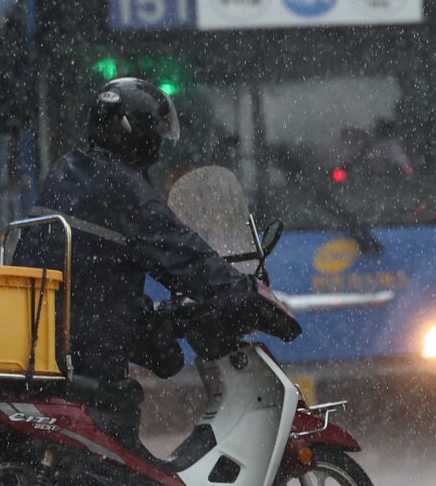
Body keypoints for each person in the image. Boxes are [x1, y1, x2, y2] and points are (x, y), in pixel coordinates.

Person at [13, 78, 255, 457]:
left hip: (55, 333)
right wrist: (240, 290)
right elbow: (180, 250)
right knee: (132, 386)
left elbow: (98, 263)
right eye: (155, 135)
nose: (158, 147)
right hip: (87, 340)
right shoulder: (122, 188)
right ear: (136, 134)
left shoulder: (69, 169)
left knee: (164, 353)